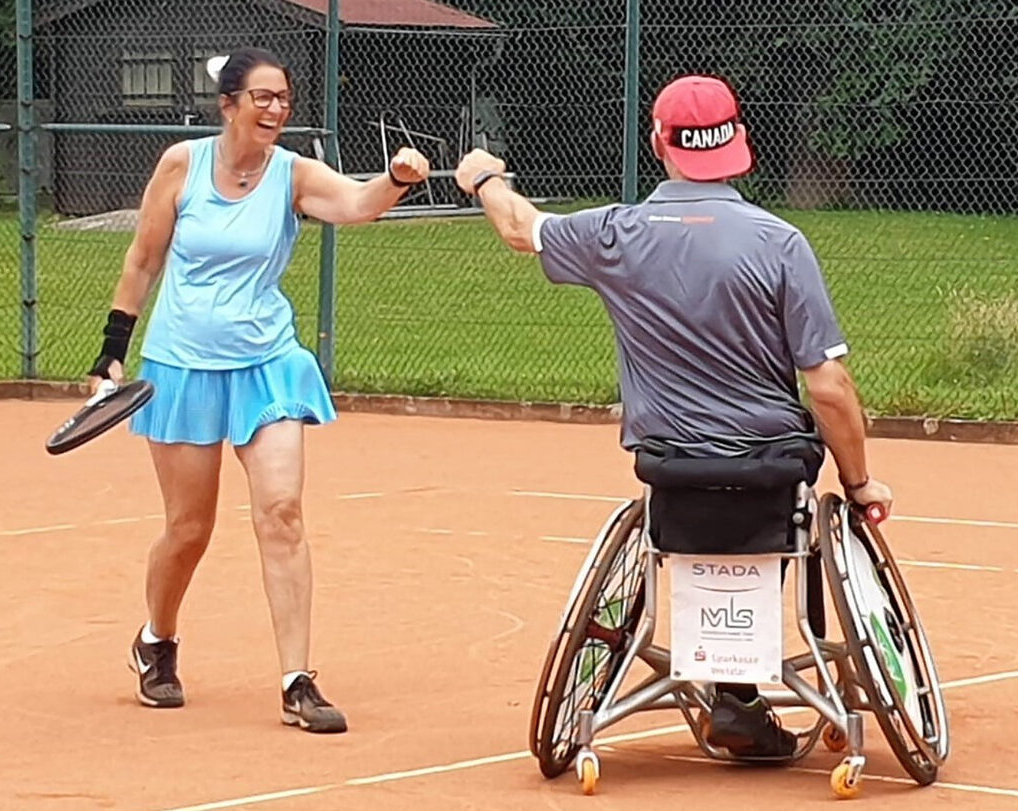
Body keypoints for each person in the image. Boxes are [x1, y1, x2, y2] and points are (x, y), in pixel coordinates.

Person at [454, 74, 893, 760]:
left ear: (661, 143)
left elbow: (518, 227)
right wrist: (861, 481)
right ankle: (737, 691)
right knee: (780, 510)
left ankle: (726, 686)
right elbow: (829, 386)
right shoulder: (780, 243)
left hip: (669, 464)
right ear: (738, 141)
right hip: (769, 465)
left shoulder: (617, 232)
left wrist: (483, 177)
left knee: (689, 515)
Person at [87, 47, 430, 733]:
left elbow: (357, 205)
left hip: (268, 361)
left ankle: (297, 680)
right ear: (229, 104)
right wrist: (111, 354)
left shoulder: (292, 174)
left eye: (283, 98)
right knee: (189, 529)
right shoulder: (183, 165)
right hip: (182, 363)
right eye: (262, 97)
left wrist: (395, 180)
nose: (275, 108)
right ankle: (156, 639)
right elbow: (144, 257)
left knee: (282, 512)